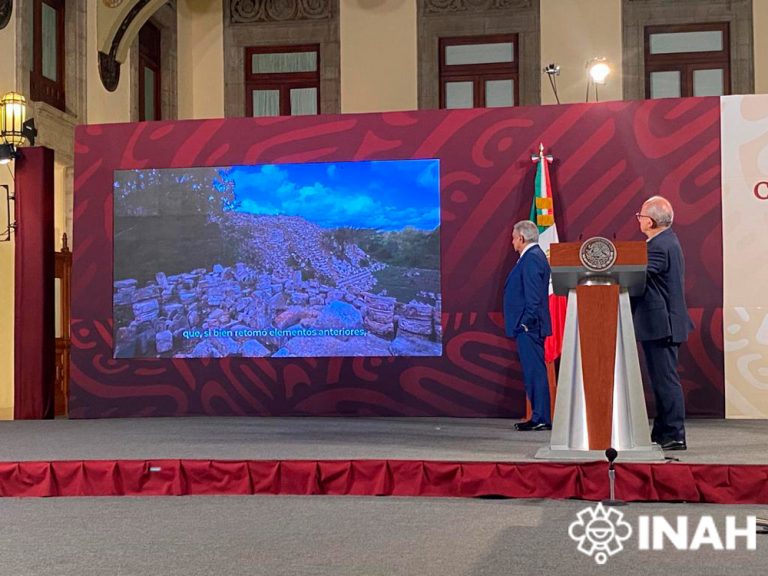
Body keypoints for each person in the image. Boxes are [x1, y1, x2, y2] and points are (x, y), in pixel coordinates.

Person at [631, 196, 694, 451]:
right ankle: (662, 432)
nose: (638, 220)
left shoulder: (659, 245)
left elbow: (639, 276)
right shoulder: (666, 241)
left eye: (641, 216)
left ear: (651, 221)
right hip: (662, 323)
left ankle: (674, 433)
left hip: (662, 324)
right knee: (660, 381)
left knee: (665, 381)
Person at [504, 220, 552, 431]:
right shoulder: (533, 257)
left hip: (530, 327)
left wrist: (524, 323)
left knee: (535, 372)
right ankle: (539, 416)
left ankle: (541, 417)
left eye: (514, 238)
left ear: (522, 238)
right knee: (533, 372)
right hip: (529, 326)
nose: (512, 242)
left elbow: (533, 298)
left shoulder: (531, 259)